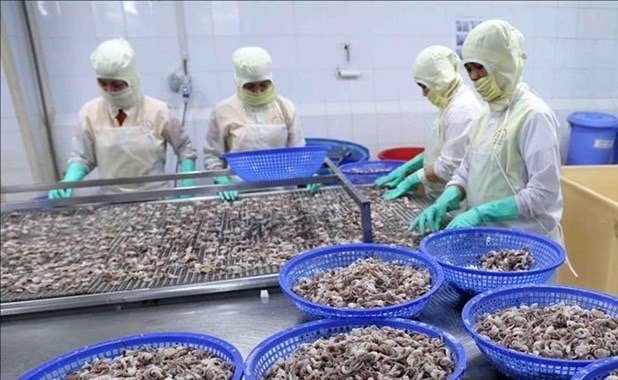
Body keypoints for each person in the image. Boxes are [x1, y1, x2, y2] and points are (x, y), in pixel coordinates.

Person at [410, 20, 563, 244]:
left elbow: (543, 194)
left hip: (525, 245)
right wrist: (449, 195)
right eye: (469, 69)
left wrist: (482, 212)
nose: (473, 77)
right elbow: (466, 169)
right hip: (486, 241)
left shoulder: (534, 115)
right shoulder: (484, 115)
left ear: (503, 64)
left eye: (480, 67)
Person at [48, 38, 197, 198]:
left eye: (117, 84)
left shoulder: (158, 111)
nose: (109, 90)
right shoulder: (90, 112)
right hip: (111, 202)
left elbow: (184, 149)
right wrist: (69, 181)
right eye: (103, 83)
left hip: (156, 199)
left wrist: (187, 184)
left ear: (131, 79)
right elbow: (82, 157)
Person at [375, 46, 483, 201]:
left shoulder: (462, 111)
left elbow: (449, 167)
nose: (424, 93)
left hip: (454, 204)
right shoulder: (449, 104)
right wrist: (408, 167)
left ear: (439, 81)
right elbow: (441, 149)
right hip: (437, 195)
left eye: (425, 87)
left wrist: (412, 179)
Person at [203, 46, 307, 202]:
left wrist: (308, 173)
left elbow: (298, 151)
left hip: (283, 190)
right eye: (250, 86)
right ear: (239, 82)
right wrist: (221, 179)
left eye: (264, 85)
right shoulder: (223, 110)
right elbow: (212, 154)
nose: (258, 92)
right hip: (240, 192)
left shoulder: (286, 107)